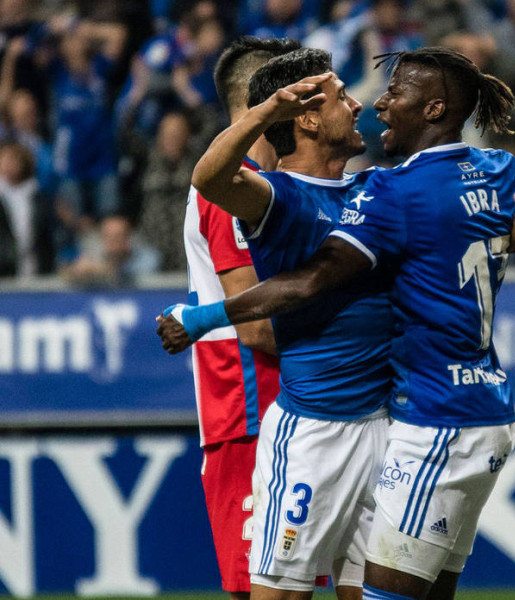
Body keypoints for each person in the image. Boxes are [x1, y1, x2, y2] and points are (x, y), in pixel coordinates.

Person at [157, 47, 515, 600]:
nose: (363, 104)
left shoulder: (382, 189)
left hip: (390, 427)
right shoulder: (279, 197)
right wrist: (266, 112)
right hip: (313, 432)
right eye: (343, 97)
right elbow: (211, 178)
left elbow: (467, 196)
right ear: (308, 119)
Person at [183, 36, 298, 600]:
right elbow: (254, 323)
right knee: (259, 587)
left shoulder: (264, 183)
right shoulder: (231, 186)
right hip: (249, 403)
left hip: (278, 406)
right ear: (271, 97)